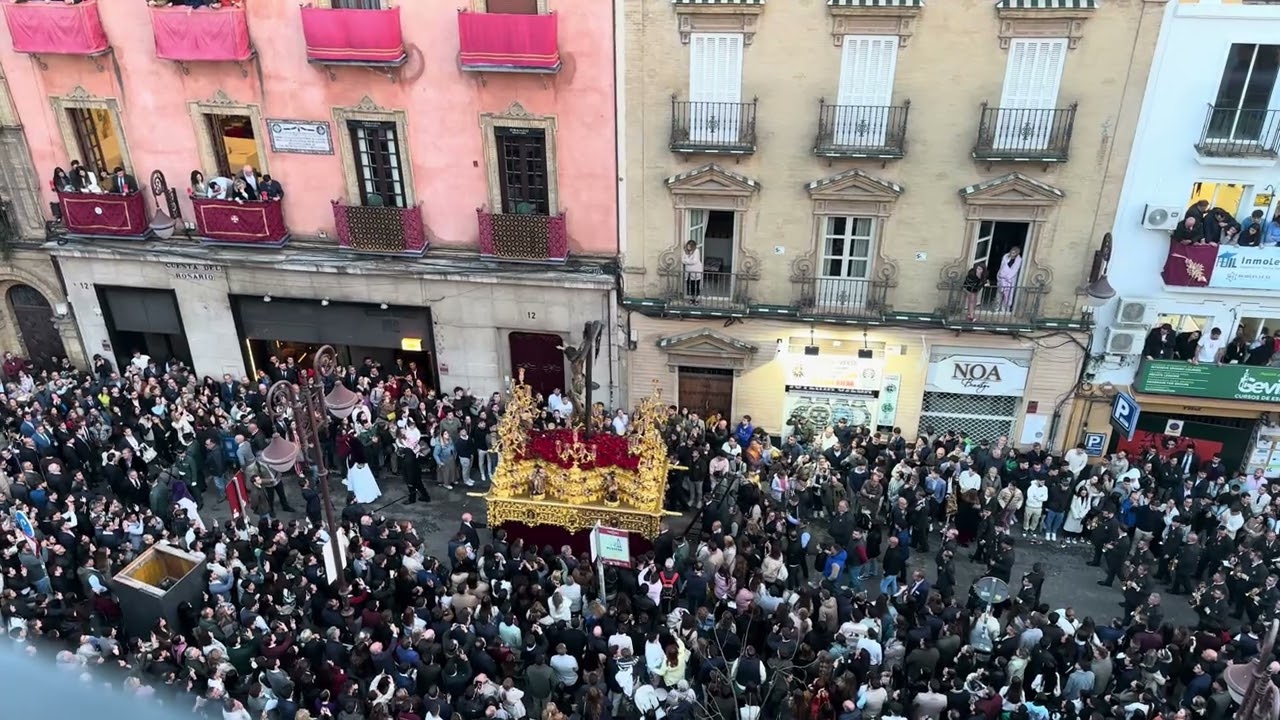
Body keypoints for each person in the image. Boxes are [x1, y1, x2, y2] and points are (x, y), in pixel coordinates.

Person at [344, 437, 381, 504]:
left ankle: (363, 496)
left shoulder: (355, 451)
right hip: (361, 470)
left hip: (358, 471)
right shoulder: (358, 449)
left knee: (361, 484)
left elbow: (353, 462)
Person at [996, 245, 1023, 312]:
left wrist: (1008, 277)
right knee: (999, 293)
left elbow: (1015, 270)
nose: (1012, 254)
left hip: (1010, 280)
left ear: (1017, 254)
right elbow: (1002, 266)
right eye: (1011, 252)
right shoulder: (1005, 257)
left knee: (1007, 295)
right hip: (1002, 277)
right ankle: (996, 308)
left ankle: (1004, 309)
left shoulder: (1018, 260)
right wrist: (1002, 275)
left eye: (1014, 253)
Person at [681, 240, 702, 304]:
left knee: (696, 286)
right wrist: (689, 261)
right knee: (690, 286)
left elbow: (695, 261)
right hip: (688, 272)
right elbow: (682, 260)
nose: (688, 247)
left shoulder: (696, 251)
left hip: (696, 271)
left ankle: (697, 299)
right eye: (688, 245)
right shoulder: (685, 251)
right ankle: (692, 298)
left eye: (690, 246)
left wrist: (686, 261)